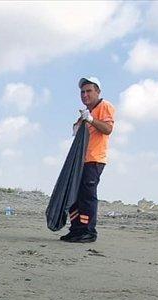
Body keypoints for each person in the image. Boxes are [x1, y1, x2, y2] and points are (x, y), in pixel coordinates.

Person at [61, 76, 115, 243]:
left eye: (89, 91)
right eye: (82, 92)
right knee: (74, 196)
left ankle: (88, 231)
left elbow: (107, 129)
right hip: (80, 162)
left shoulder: (104, 106)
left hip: (94, 159)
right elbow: (76, 133)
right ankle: (76, 229)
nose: (85, 94)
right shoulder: (85, 113)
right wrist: (79, 124)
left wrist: (91, 119)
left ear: (97, 91)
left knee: (87, 196)